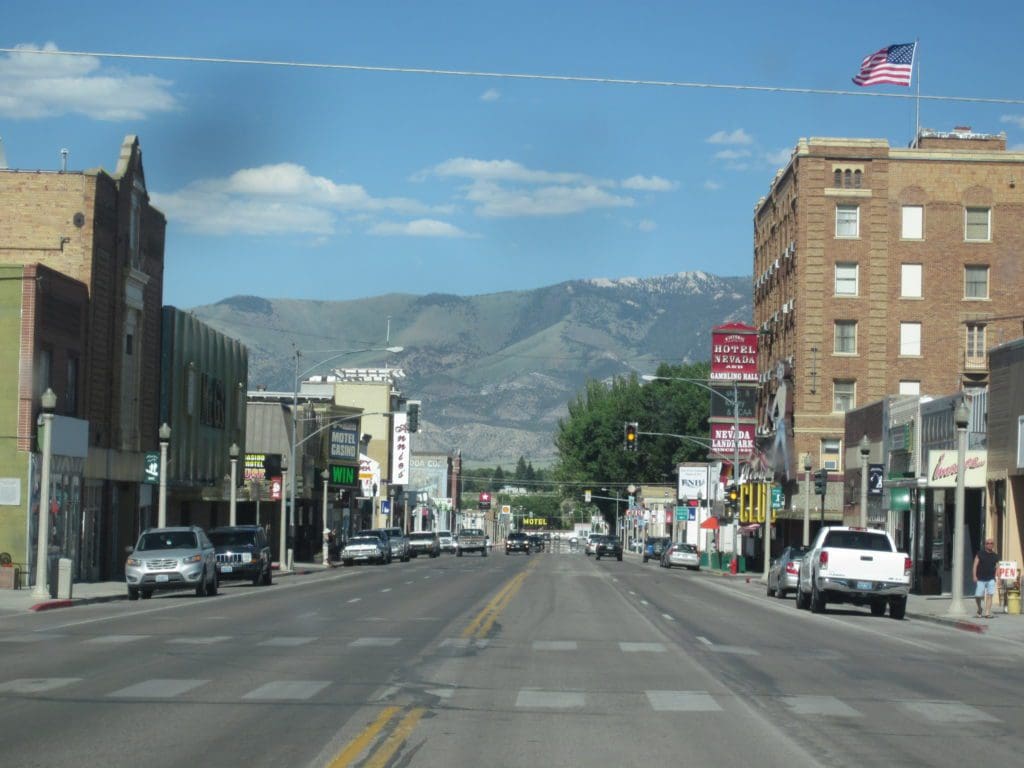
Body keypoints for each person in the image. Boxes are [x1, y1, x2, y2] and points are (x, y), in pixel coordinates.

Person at [972, 537, 1000, 618]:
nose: (990, 545)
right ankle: (980, 608)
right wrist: (974, 576)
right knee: (978, 595)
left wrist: (999, 578)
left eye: (991, 543)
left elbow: (998, 567)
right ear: (985, 545)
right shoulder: (980, 554)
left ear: (993, 545)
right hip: (980, 578)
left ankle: (987, 612)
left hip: (991, 578)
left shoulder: (995, 556)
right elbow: (975, 565)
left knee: (990, 595)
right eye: (988, 543)